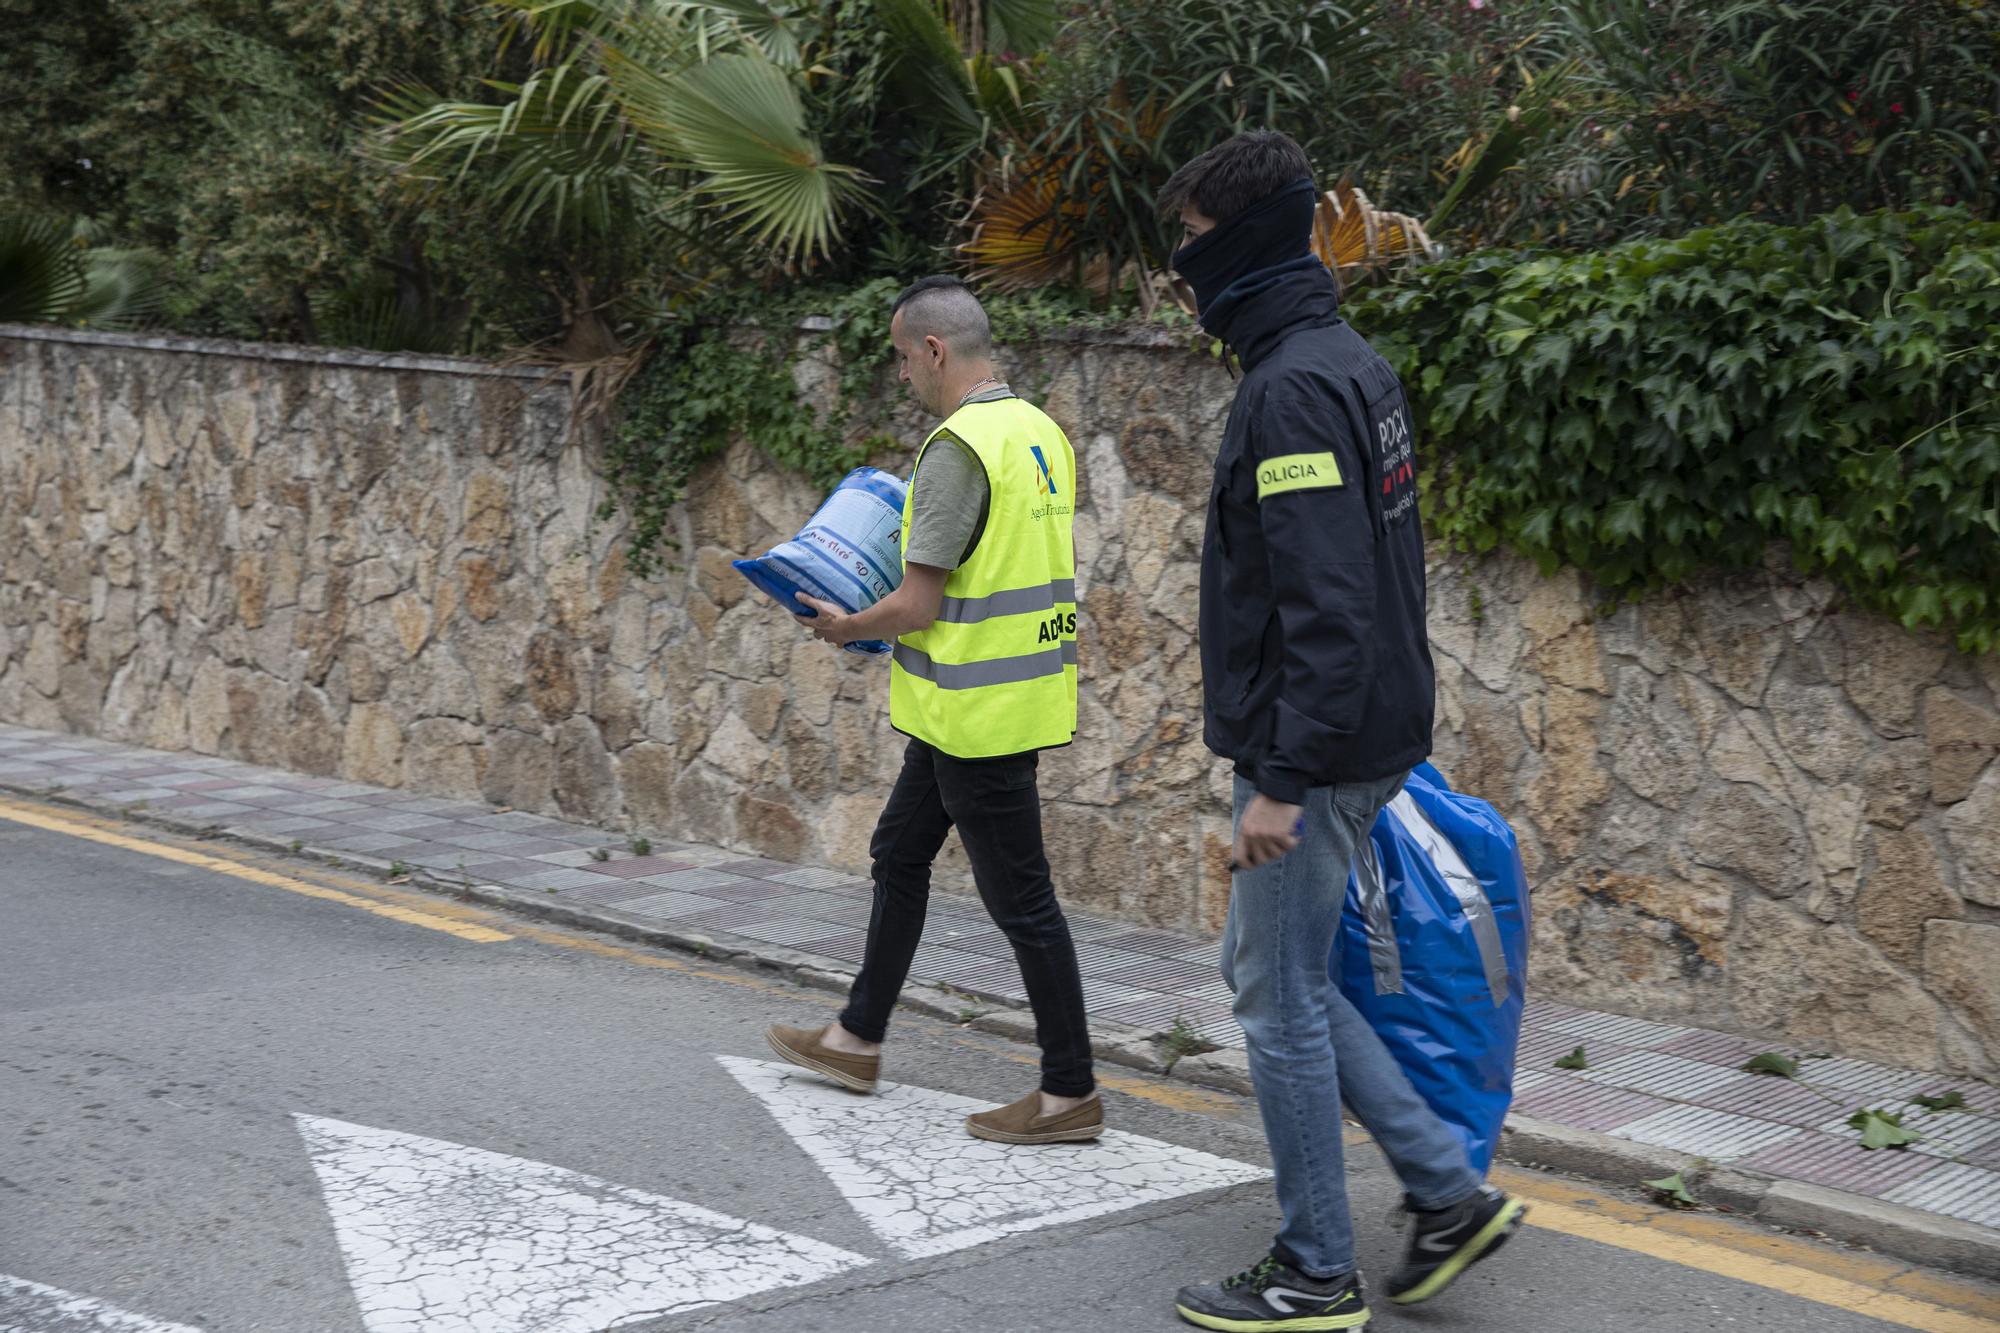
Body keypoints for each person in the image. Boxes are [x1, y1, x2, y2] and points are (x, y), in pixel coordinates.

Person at [1161, 131, 1526, 1331]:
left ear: (1254, 240)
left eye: (1198, 242)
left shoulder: (1288, 392)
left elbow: (1329, 602)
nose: (1182, 264)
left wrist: (1279, 779)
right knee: (1271, 972)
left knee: (1274, 1000)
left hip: (1312, 752)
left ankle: (1314, 1267)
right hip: (1354, 732)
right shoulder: (1343, 361)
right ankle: (1441, 1189)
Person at [765, 275, 1100, 1145]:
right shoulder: (1040, 434)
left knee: (1023, 902)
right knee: (898, 853)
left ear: (935, 350)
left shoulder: (958, 448)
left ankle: (1069, 1093)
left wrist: (843, 627)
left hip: (975, 715)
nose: (901, 374)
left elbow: (917, 604)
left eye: (902, 356)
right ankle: (856, 1036)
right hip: (997, 699)